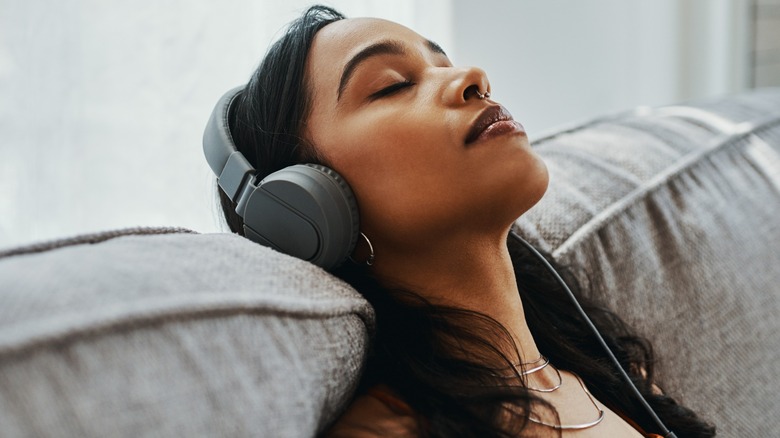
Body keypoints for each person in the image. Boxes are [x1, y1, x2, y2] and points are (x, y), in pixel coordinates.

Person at [216, 5, 716, 437]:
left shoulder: (611, 375)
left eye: (444, 63)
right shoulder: (390, 430)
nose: (472, 76)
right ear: (307, 208)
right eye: (392, 86)